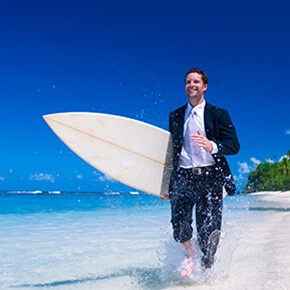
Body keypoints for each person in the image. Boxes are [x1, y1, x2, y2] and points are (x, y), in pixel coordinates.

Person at [161, 68, 240, 277]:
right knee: (179, 223)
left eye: (196, 82)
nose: (191, 85)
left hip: (211, 177)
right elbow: (172, 153)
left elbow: (234, 145)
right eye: (188, 82)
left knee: (209, 229)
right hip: (183, 176)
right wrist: (165, 186)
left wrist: (211, 145)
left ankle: (207, 268)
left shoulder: (219, 114)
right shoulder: (175, 116)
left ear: (205, 86)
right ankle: (190, 256)